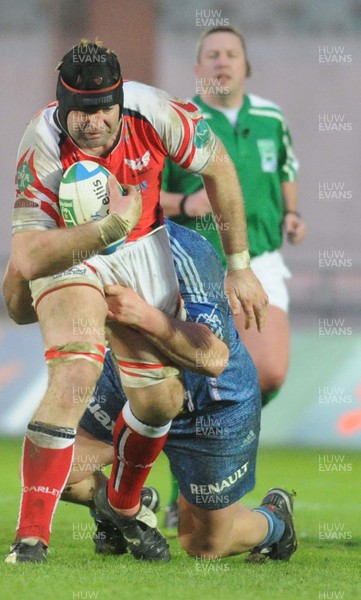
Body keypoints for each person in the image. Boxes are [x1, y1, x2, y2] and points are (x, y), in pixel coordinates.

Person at [4, 39, 267, 564]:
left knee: (158, 401)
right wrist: (109, 227)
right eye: (79, 110)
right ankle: (31, 540)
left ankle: (125, 505)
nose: (93, 122)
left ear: (120, 102)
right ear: (62, 105)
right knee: (74, 371)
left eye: (104, 109)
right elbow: (32, 255)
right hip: (74, 249)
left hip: (143, 254)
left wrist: (239, 265)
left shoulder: (159, 113)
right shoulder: (42, 141)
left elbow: (218, 167)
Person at [59, 220, 297, 563]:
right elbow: (19, 302)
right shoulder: (75, 242)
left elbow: (212, 358)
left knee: (204, 546)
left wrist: (143, 316)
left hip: (213, 402)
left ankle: (275, 524)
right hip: (130, 380)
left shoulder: (188, 249)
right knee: (56, 470)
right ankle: (124, 507)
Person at [160, 26, 307, 524]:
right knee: (206, 375)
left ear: (247, 66)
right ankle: (197, 486)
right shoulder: (178, 120)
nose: (222, 62)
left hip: (260, 260)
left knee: (268, 372)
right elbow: (137, 192)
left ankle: (202, 463)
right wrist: (184, 202)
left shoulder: (270, 118)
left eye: (231, 55)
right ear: (198, 68)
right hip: (198, 266)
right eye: (212, 55)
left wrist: (292, 213)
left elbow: (286, 166)